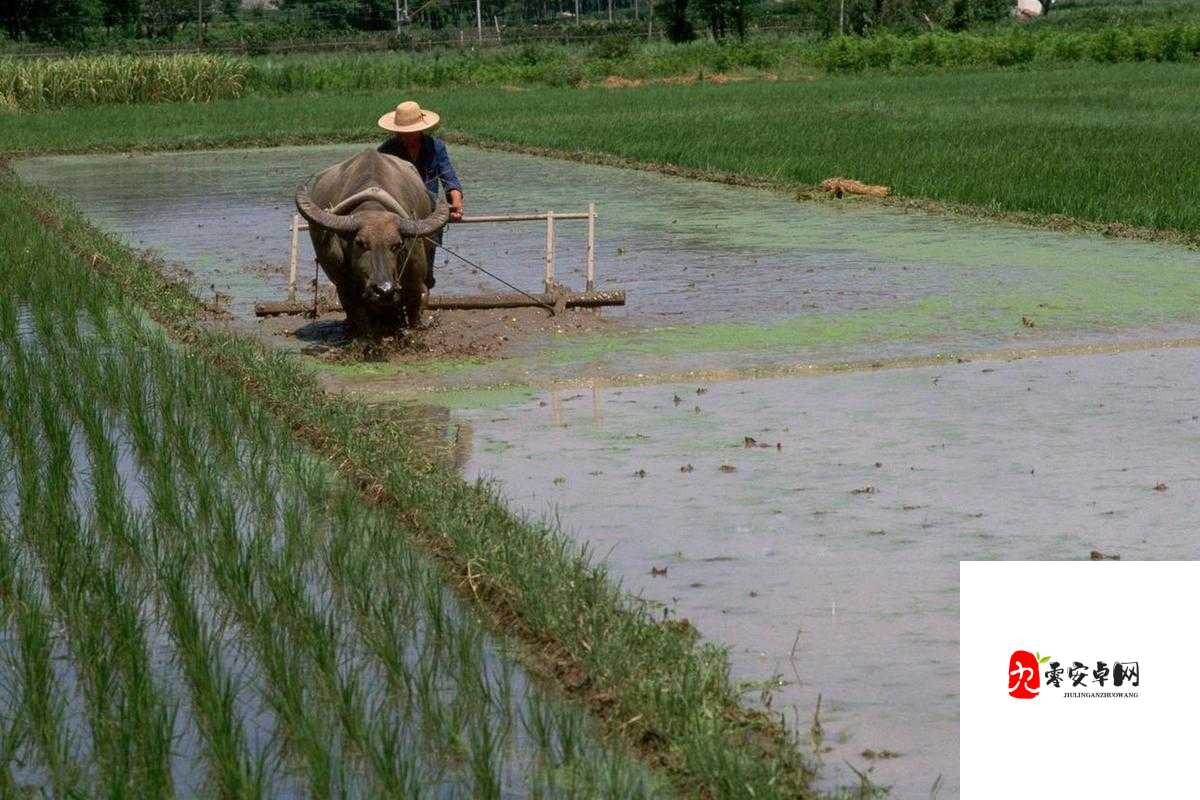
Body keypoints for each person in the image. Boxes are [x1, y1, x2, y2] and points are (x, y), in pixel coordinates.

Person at [377, 101, 464, 289]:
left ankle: (422, 303)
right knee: (397, 268)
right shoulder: (386, 151)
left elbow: (449, 179)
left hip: (428, 215)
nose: (406, 137)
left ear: (420, 130)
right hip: (397, 216)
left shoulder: (436, 147)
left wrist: (456, 203)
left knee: (425, 271)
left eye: (410, 132)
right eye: (402, 133)